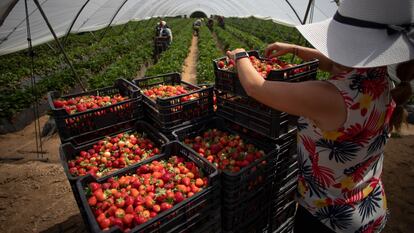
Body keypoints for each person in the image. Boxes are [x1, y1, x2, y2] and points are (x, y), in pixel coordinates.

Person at [226, 0, 414, 232]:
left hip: (327, 218)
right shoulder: (383, 81)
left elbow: (256, 87)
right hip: (369, 206)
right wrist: (295, 49)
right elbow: (339, 64)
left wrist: (240, 56)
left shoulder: (330, 96)